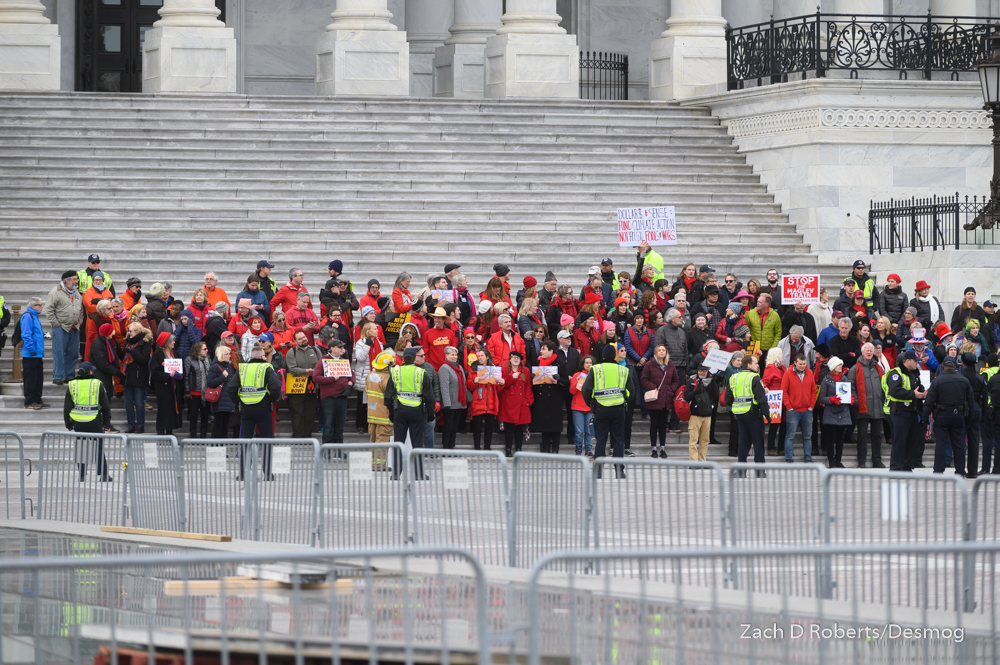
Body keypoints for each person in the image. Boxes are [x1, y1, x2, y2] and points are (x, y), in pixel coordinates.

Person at [228, 344, 283, 479]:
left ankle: (242, 473)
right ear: (263, 357)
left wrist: (239, 401)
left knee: (245, 441)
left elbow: (231, 388)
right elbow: (276, 386)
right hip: (263, 408)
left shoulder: (243, 368)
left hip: (246, 409)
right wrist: (273, 399)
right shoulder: (266, 367)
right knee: (266, 441)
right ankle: (267, 473)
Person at [384, 347, 436, 477]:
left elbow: (387, 396)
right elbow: (429, 397)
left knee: (398, 442)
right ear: (414, 359)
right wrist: (431, 414)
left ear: (402, 358)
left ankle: (396, 473)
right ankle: (419, 473)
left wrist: (391, 412)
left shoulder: (396, 372)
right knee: (417, 443)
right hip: (417, 411)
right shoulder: (421, 372)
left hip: (399, 410)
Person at [582, 345, 630, 479]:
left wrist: (591, 404)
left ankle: (598, 470)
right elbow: (631, 390)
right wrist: (623, 397)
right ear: (615, 356)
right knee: (618, 441)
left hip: (601, 409)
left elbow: (586, 390)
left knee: (601, 440)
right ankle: (619, 471)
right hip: (618, 409)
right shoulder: (623, 370)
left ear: (602, 356)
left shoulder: (596, 369)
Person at [922, 356, 974, 475]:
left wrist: (924, 420)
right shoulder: (964, 380)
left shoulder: (937, 381)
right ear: (955, 366)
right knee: (959, 444)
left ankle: (938, 470)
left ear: (943, 367)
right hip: (959, 415)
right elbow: (971, 403)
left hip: (942, 416)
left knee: (941, 443)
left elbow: (929, 402)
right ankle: (960, 470)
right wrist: (968, 421)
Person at [63, 362, 113, 481]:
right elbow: (105, 405)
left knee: (81, 448)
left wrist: (68, 423)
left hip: (78, 421)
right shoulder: (97, 384)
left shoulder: (72, 384)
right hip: (94, 419)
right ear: (90, 372)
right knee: (98, 447)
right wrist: (107, 422)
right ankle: (104, 475)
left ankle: (82, 475)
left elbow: (67, 407)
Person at [726, 353, 768, 474]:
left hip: (739, 414)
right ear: (749, 365)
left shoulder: (734, 377)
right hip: (754, 413)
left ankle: (741, 471)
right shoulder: (754, 377)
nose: (758, 365)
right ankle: (760, 472)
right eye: (756, 363)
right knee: (758, 443)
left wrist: (737, 404)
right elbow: (761, 398)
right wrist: (767, 415)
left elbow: (728, 398)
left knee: (743, 443)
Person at [886, 350, 928, 471]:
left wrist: (923, 392)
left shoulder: (914, 373)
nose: (917, 363)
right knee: (899, 441)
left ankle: (907, 467)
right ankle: (895, 468)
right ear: (907, 361)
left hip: (913, 411)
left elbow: (918, 387)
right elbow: (895, 391)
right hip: (900, 411)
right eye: (915, 361)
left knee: (911, 442)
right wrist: (913, 394)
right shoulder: (895, 374)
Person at [847, 342, 885, 468]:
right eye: (866, 350)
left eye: (871, 350)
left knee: (877, 436)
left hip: (877, 406)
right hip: (862, 407)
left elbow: (884, 386)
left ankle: (877, 461)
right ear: (862, 352)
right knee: (862, 436)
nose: (869, 352)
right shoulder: (854, 369)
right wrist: (857, 401)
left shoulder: (879, 368)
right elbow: (851, 388)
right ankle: (861, 461)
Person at [44, 271, 83, 385]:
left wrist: (79, 321)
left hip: (74, 327)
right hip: (61, 327)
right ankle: (58, 376)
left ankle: (69, 376)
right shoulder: (55, 292)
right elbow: (49, 309)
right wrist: (55, 323)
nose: (77, 281)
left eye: (77, 279)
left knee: (73, 353)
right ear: (67, 281)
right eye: (74, 279)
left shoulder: (76, 293)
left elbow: (80, 309)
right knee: (59, 353)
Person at [313, 339, 354, 444]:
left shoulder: (342, 360)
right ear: (332, 348)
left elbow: (352, 374)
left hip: (342, 397)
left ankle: (338, 449)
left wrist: (350, 383)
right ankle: (327, 449)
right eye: (340, 347)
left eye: (342, 347)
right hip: (329, 398)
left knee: (340, 426)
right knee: (328, 426)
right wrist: (332, 378)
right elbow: (316, 377)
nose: (342, 349)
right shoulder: (323, 361)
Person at [641, 344, 678, 459]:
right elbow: (643, 379)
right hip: (655, 399)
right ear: (656, 352)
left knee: (663, 425)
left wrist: (671, 390)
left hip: (666, 399)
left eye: (664, 350)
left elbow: (676, 380)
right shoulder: (650, 364)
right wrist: (653, 387)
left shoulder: (670, 364)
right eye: (660, 350)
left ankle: (662, 448)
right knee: (654, 424)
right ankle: (653, 448)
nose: (662, 352)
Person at [532, 340, 569, 454]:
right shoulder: (539, 363)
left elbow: (566, 382)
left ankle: (555, 449)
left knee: (555, 426)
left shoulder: (560, 362)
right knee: (544, 426)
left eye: (543, 349)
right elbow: (533, 384)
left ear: (551, 351)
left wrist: (559, 379)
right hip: (542, 398)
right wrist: (533, 378)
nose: (541, 351)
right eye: (541, 348)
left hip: (554, 398)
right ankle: (546, 448)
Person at [285, 330, 321, 439]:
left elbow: (322, 366)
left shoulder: (315, 350)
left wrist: (313, 372)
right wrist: (306, 371)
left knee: (310, 412)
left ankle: (307, 435)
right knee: (297, 413)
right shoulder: (292, 352)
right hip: (296, 388)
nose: (303, 339)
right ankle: (298, 435)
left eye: (304, 337)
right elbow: (292, 369)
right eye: (300, 338)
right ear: (295, 341)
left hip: (312, 386)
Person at [780, 353, 815, 463]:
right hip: (793, 410)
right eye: (800, 364)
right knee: (790, 436)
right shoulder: (788, 373)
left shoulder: (809, 372)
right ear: (795, 363)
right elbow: (784, 391)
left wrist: (811, 405)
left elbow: (813, 390)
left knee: (807, 437)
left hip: (807, 410)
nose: (802, 366)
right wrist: (788, 406)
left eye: (804, 364)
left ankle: (808, 458)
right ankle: (789, 459)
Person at [818, 357, 851, 468]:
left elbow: (847, 393)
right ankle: (831, 460)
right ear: (832, 367)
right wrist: (831, 399)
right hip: (831, 411)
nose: (840, 367)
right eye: (838, 365)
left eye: (841, 365)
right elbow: (822, 397)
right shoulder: (826, 380)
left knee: (840, 438)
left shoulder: (844, 379)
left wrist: (850, 399)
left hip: (843, 411)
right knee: (831, 438)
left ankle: (838, 460)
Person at [499, 349, 533, 456]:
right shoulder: (504, 370)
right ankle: (508, 449)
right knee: (509, 429)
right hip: (509, 403)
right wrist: (511, 377)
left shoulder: (526, 371)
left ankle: (519, 449)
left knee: (519, 429)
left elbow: (528, 387)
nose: (516, 359)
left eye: (518, 358)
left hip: (522, 403)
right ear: (510, 359)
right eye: (514, 357)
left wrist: (527, 401)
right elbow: (503, 385)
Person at [683, 362, 718, 461]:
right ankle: (693, 461)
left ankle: (703, 461)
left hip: (707, 415)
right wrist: (697, 390)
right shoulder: (692, 381)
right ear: (697, 371)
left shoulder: (711, 382)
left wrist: (714, 381)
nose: (702, 373)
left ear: (707, 372)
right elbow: (687, 397)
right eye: (700, 371)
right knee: (693, 440)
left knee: (705, 440)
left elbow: (715, 396)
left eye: (704, 371)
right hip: (695, 415)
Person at [960, 351, 987, 479]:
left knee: (959, 440)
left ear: (963, 363)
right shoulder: (980, 378)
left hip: (960, 408)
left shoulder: (959, 376)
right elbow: (985, 397)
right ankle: (972, 471)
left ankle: (960, 469)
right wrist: (985, 414)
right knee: (974, 441)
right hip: (976, 408)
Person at [121, 322, 151, 434]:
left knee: (139, 402)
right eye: (129, 330)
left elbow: (144, 360)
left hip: (139, 377)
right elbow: (125, 358)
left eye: (131, 331)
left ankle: (140, 426)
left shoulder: (144, 343)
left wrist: (133, 352)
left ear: (138, 332)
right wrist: (120, 351)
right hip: (128, 376)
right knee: (128, 403)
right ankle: (131, 425)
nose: (129, 333)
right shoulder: (128, 342)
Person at [151, 332, 183, 436]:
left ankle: (170, 430)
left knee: (173, 408)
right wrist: (168, 375)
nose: (174, 342)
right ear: (166, 342)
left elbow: (181, 368)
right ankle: (160, 430)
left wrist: (179, 374)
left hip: (174, 386)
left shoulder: (176, 354)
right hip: (163, 387)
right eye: (172, 340)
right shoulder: (157, 354)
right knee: (164, 409)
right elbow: (155, 372)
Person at [20, 297, 48, 409]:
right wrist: (32, 350)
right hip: (31, 354)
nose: (42, 307)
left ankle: (37, 399)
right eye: (40, 305)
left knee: (38, 378)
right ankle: (29, 401)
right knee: (31, 378)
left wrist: (44, 334)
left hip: (38, 354)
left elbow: (35, 333)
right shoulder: (28, 316)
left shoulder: (35, 316)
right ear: (33, 306)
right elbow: (26, 334)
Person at [438, 346, 468, 450]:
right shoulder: (444, 368)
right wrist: (446, 404)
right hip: (449, 403)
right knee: (448, 427)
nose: (455, 357)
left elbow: (463, 384)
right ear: (446, 356)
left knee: (455, 427)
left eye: (456, 354)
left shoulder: (459, 367)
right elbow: (444, 387)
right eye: (452, 355)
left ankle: (452, 446)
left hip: (459, 402)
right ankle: (446, 446)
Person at [207, 345, 237, 439]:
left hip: (227, 401)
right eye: (227, 354)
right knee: (218, 426)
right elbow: (210, 383)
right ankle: (215, 449)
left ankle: (222, 449)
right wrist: (222, 377)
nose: (229, 356)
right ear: (221, 355)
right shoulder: (215, 367)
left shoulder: (228, 367)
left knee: (224, 427)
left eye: (229, 354)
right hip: (219, 401)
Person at [183, 342, 212, 439]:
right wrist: (187, 391)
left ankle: (203, 436)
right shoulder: (189, 360)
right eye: (204, 349)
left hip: (206, 392)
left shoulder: (208, 359)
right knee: (193, 415)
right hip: (194, 392)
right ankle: (193, 435)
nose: (207, 350)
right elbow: (186, 376)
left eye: (206, 348)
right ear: (198, 351)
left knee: (205, 415)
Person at [568, 355, 596, 457]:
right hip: (577, 408)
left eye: (590, 363)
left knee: (589, 431)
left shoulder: (595, 375)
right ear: (582, 364)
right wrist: (577, 382)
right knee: (579, 431)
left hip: (590, 407)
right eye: (587, 363)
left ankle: (588, 450)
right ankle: (578, 449)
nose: (589, 364)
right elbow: (572, 391)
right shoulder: (577, 375)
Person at [762, 348, 786, 456]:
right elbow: (764, 382)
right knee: (774, 425)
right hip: (775, 401)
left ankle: (781, 447)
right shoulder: (771, 368)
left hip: (784, 400)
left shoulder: (782, 368)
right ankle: (771, 447)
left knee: (784, 425)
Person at [984, 354, 1000, 475]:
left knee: (997, 441)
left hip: (994, 411)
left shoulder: (991, 377)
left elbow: (986, 392)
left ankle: (996, 469)